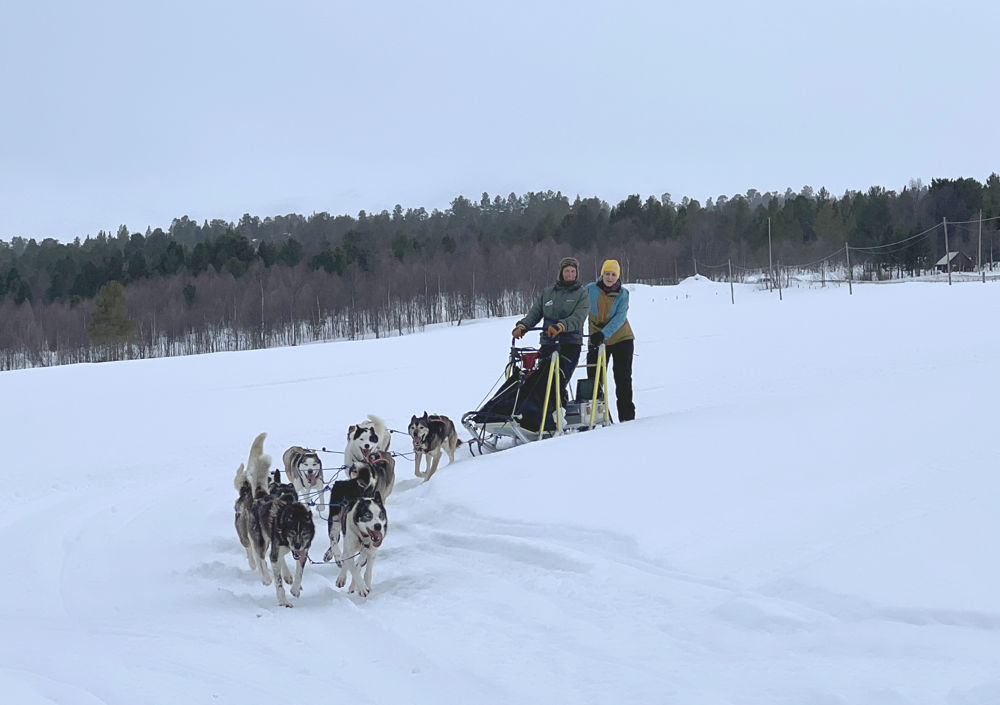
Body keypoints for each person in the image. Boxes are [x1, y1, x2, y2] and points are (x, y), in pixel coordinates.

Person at [511, 256, 590, 401]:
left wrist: (561, 326)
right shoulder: (547, 293)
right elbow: (535, 313)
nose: (570, 274)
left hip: (570, 343)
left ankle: (557, 411)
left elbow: (578, 318)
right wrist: (523, 326)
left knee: (557, 380)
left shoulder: (582, 294)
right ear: (561, 273)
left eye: (573, 271)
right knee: (538, 380)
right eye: (567, 271)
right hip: (548, 343)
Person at [584, 259, 635, 421]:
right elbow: (578, 308)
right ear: (602, 274)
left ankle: (627, 419)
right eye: (607, 274)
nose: (610, 277)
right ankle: (597, 418)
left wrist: (603, 334)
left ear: (618, 276)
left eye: (613, 274)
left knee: (622, 378)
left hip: (621, 338)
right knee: (594, 380)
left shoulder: (623, 294)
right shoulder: (590, 290)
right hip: (596, 340)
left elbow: (620, 318)